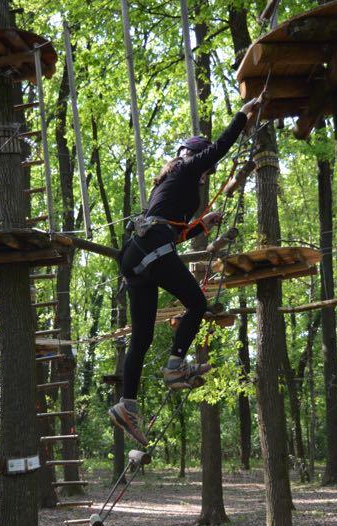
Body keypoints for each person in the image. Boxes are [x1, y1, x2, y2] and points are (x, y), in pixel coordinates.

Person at [109, 97, 263, 446]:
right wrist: (243, 114)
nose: (206, 174)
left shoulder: (167, 184)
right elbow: (221, 148)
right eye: (204, 165)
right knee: (196, 303)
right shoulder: (186, 167)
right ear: (193, 154)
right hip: (153, 247)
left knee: (142, 338)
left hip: (137, 255)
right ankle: (175, 365)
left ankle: (126, 404)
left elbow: (173, 232)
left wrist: (201, 226)